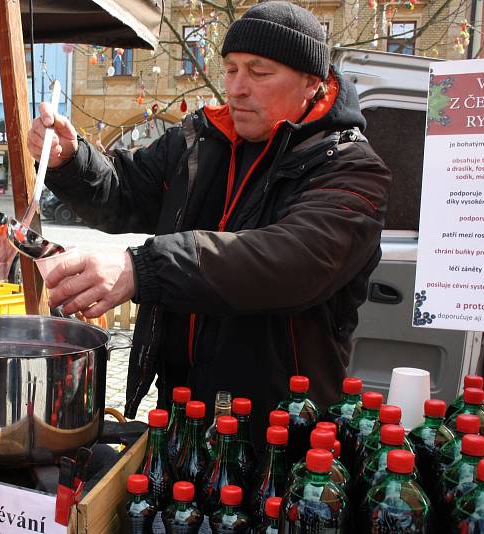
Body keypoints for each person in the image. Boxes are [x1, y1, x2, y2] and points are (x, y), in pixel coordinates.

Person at [27, 1, 392, 446]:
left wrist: (141, 269)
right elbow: (123, 192)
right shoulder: (201, 139)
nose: (237, 88)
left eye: (258, 72)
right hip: (182, 408)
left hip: (280, 427)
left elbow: (292, 262)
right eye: (231, 69)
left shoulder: (352, 168)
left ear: (311, 83)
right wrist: (71, 161)